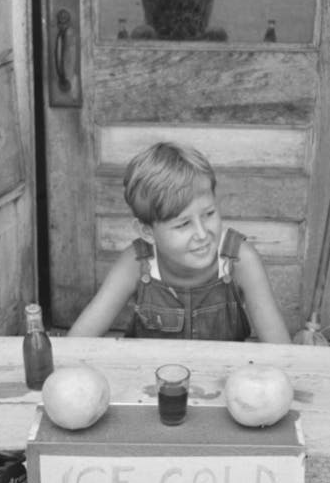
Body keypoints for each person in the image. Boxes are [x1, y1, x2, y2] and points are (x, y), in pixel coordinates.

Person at [67, 142, 292, 344]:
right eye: (183, 225)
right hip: (152, 383)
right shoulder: (137, 263)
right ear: (147, 232)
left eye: (209, 213)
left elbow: (281, 351)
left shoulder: (239, 260)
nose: (202, 234)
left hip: (224, 381)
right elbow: (77, 342)